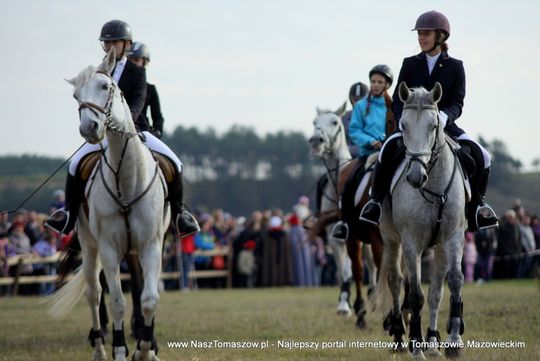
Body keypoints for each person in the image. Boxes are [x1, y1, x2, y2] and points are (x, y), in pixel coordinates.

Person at [45, 20, 199, 238]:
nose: (108, 48)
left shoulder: (137, 72)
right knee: (75, 164)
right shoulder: (97, 72)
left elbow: (138, 100)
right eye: (105, 44)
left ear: (126, 45)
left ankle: (179, 214)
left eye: (113, 43)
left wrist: (130, 122)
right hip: (106, 134)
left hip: (137, 130)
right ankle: (68, 214)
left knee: (176, 163)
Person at [359, 10, 498, 232]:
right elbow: (397, 100)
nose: (422, 38)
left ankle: (477, 208)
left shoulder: (455, 66)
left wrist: (444, 116)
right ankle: (375, 202)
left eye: (426, 34)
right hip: (412, 126)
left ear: (440, 37)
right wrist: (403, 119)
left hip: (444, 124)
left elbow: (457, 102)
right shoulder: (410, 63)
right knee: (386, 151)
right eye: (420, 34)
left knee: (483, 155)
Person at [332, 65, 394, 240]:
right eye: (373, 81)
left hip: (388, 152)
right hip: (368, 153)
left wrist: (386, 142)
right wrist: (371, 141)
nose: (375, 85)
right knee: (349, 180)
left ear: (387, 85)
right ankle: (343, 222)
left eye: (379, 82)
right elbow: (354, 130)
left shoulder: (394, 104)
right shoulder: (360, 106)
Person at [127, 42, 164, 138]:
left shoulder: (151, 89)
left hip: (144, 133)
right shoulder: (118, 85)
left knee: (167, 153)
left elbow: (157, 117)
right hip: (120, 131)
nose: (133, 63)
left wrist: (157, 133)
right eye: (130, 60)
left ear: (144, 62)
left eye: (136, 60)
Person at [342, 82, 369, 158]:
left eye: (361, 100)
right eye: (355, 100)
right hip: (346, 159)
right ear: (351, 100)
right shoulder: (343, 117)